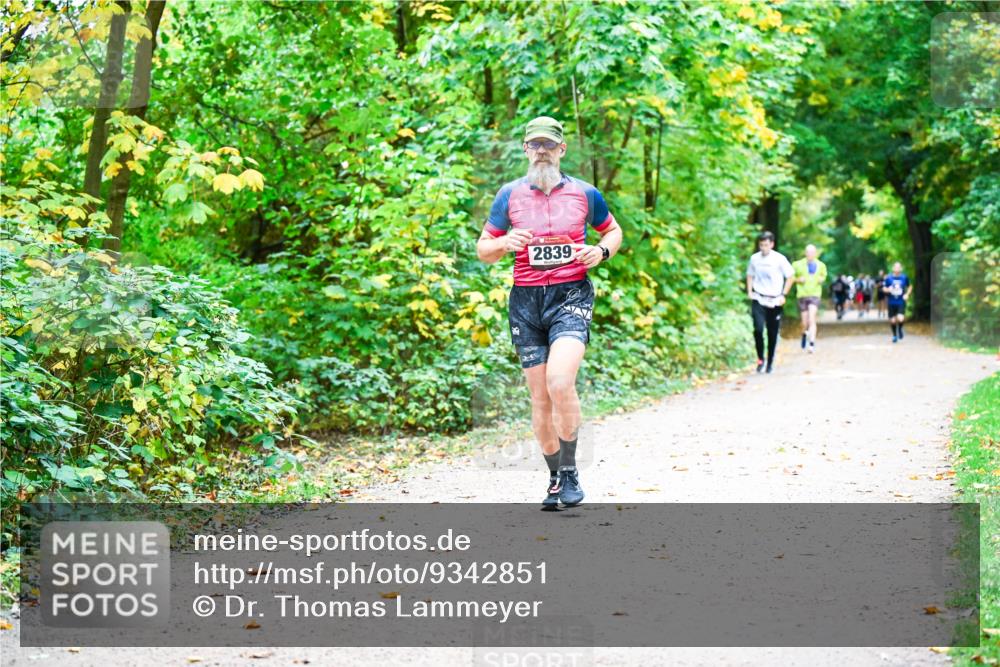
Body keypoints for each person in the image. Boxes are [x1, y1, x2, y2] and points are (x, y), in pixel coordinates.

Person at [477, 116, 623, 510]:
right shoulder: (508, 195)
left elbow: (613, 230)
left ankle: (572, 471)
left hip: (571, 294)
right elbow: (483, 250)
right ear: (525, 150)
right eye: (534, 145)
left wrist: (601, 251)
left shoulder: (585, 193)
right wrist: (506, 241)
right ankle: (555, 477)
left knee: (560, 381)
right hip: (525, 302)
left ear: (562, 150)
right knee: (540, 398)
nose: (541, 151)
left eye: (549, 144)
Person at [746, 231, 793, 373]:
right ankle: (760, 359)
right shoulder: (754, 259)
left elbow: (790, 276)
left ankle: (770, 361)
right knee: (758, 329)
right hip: (759, 298)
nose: (763, 248)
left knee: (772, 333)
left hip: (775, 300)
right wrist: (750, 291)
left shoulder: (779, 259)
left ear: (772, 244)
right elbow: (750, 275)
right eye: (761, 245)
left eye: (766, 245)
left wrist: (784, 294)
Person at [791, 244, 827, 353]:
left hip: (815, 295)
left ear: (815, 253)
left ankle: (811, 343)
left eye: (812, 252)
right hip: (802, 295)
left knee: (812, 319)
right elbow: (790, 278)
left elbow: (824, 276)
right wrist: (798, 279)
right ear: (805, 253)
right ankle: (804, 334)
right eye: (808, 252)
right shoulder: (797, 264)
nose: (810, 254)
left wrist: (821, 279)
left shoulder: (821, 265)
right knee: (804, 322)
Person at [883, 262, 911, 342]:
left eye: (899, 267)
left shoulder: (904, 277)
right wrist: (888, 290)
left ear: (901, 269)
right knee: (893, 321)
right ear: (893, 268)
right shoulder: (888, 278)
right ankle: (894, 335)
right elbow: (884, 288)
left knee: (900, 318)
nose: (897, 269)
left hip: (901, 301)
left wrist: (907, 294)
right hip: (891, 302)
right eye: (896, 267)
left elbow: (909, 286)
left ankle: (900, 329)